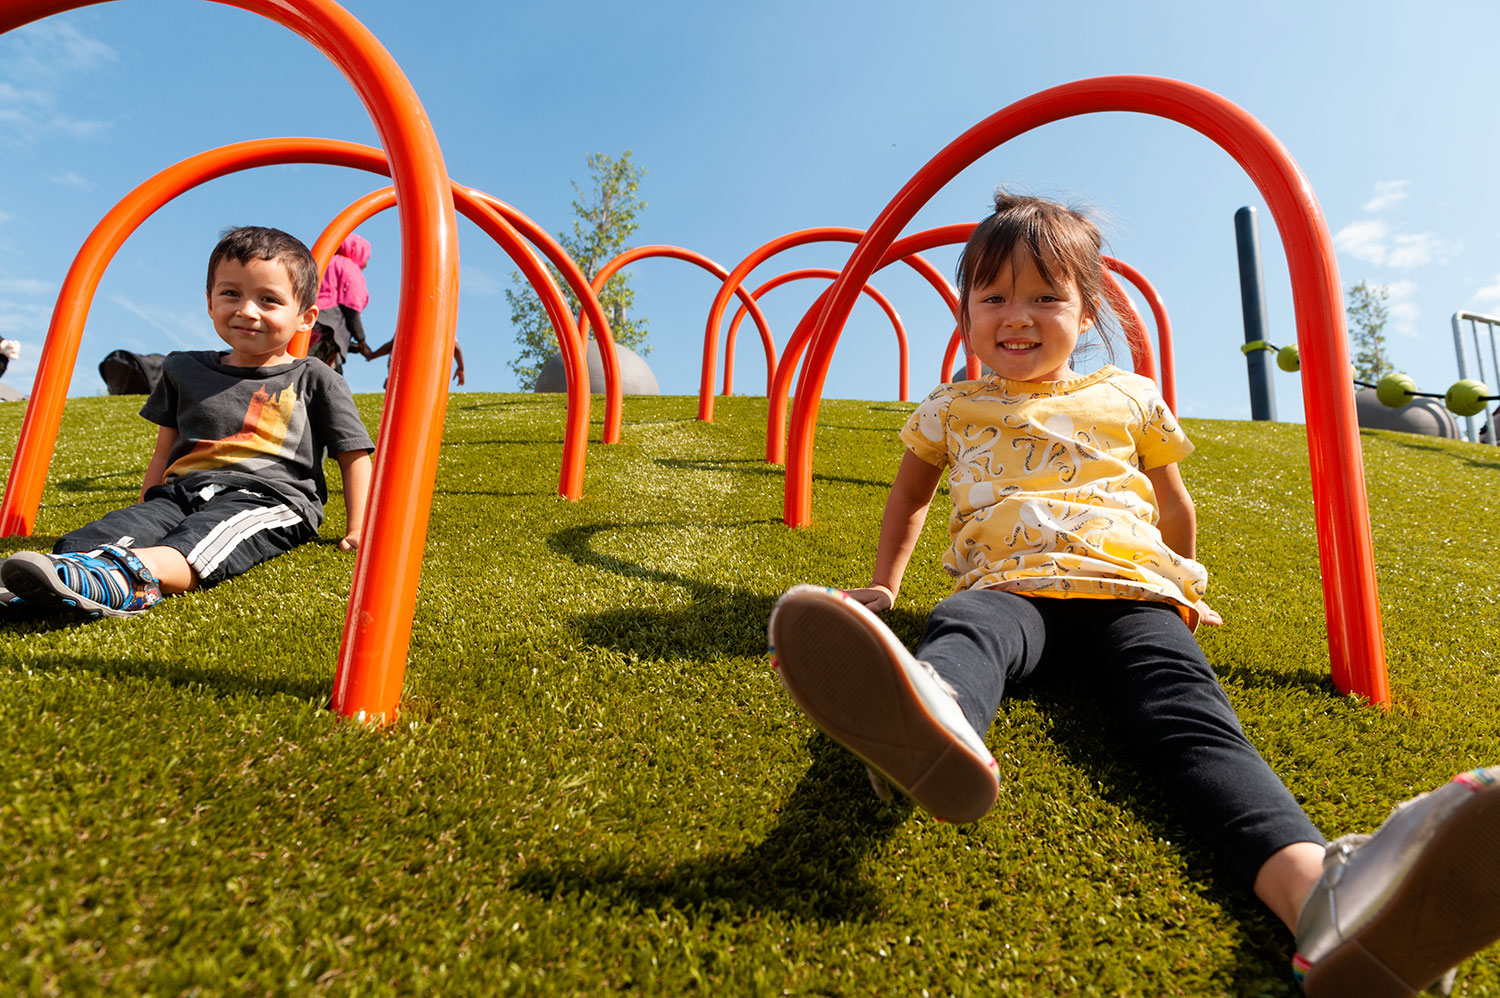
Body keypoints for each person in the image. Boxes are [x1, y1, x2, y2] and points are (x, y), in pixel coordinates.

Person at [766, 192, 1500, 997]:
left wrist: (1181, 582)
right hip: (1009, 585)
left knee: (1190, 720)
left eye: (1047, 296)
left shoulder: (1128, 395)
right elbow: (906, 499)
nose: (1018, 315)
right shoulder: (951, 405)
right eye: (994, 296)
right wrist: (886, 583)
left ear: (1086, 316)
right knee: (966, 632)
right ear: (966, 310)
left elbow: (1175, 504)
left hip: (1128, 595)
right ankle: (938, 717)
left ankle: (1324, 901)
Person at [0, 226, 373, 618]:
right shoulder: (184, 368)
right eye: (231, 294)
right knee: (103, 533)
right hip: (181, 492)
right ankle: (51, 582)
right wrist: (146, 505)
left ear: (305, 318)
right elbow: (165, 449)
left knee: (205, 538)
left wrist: (359, 526)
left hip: (268, 497)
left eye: (269, 300)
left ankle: (131, 580)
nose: (247, 310)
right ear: (210, 302)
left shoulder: (315, 377)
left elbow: (353, 456)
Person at [309, 233, 373, 374]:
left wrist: (351, 345)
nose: (366, 263)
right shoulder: (348, 267)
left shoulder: (320, 262)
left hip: (308, 323)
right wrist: (361, 340)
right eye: (366, 257)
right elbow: (351, 307)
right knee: (322, 376)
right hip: (328, 328)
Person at [360, 336, 466, 387]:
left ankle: (394, 381)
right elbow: (393, 343)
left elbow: (455, 347)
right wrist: (461, 368)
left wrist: (372, 356)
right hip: (402, 365)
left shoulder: (437, 323)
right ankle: (393, 381)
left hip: (412, 367)